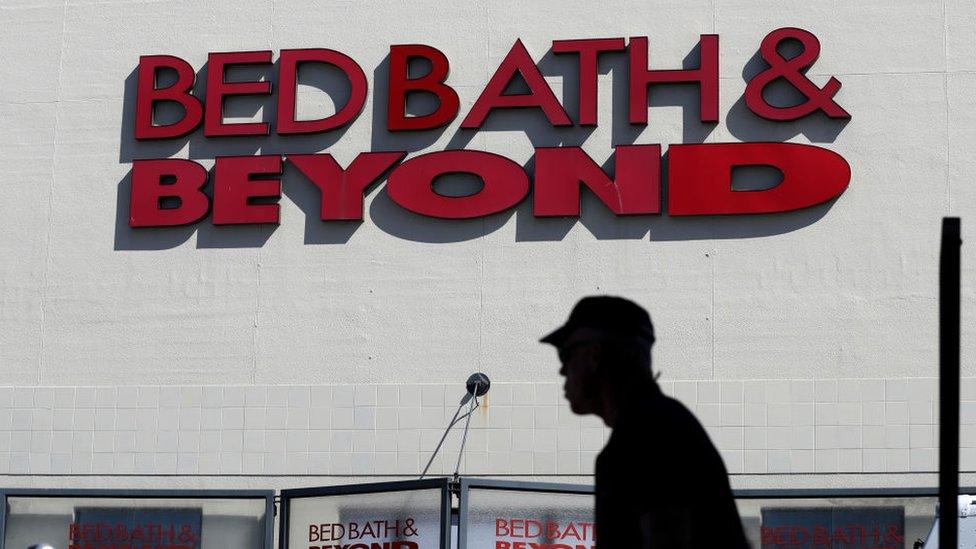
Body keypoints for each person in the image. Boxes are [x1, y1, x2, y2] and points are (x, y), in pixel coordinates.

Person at [541, 296, 749, 549]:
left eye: (565, 355)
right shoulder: (658, 424)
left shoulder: (649, 433)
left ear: (595, 355)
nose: (562, 371)